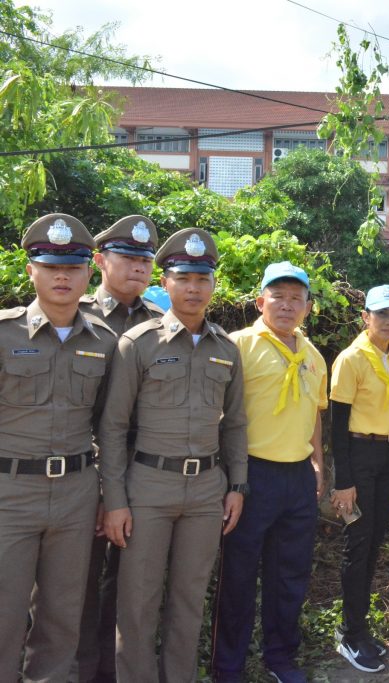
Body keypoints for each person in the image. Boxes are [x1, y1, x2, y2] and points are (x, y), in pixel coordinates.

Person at [99, 228, 248, 683]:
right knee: (137, 604)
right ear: (165, 282)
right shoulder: (138, 343)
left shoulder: (227, 349)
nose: (193, 288)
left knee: (189, 601)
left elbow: (235, 424)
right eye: (183, 278)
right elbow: (113, 427)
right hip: (148, 487)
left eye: (202, 279)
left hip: (206, 491)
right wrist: (115, 500)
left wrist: (237, 486)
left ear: (214, 284)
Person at [0, 214, 116, 682]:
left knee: (62, 617)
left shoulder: (105, 342)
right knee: (4, 614)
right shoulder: (3, 334)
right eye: (51, 267)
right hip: (10, 493)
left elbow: (110, 428)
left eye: (72, 268)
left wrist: (108, 496)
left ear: (89, 272)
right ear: (32, 271)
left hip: (75, 494)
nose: (62, 277)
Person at [211, 262, 328, 682]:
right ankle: (228, 667)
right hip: (250, 475)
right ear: (261, 301)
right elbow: (220, 413)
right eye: (278, 296)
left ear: (308, 308)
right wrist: (230, 477)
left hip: (297, 478)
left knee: (290, 574)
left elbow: (315, 413)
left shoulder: (314, 356)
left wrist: (317, 462)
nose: (287, 305)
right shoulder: (238, 345)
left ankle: (280, 658)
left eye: (297, 298)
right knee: (238, 576)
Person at [74, 214, 162, 683]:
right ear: (100, 260)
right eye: (127, 258)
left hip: (142, 473)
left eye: (145, 260)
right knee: (74, 583)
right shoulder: (75, 315)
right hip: (82, 471)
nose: (138, 267)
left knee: (129, 584)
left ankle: (112, 672)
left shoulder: (160, 324)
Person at [329, 285, 389, 674]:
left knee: (375, 541)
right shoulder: (351, 359)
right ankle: (349, 633)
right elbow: (337, 425)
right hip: (359, 456)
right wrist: (343, 480)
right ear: (366, 317)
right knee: (357, 545)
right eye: (382, 314)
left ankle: (360, 628)